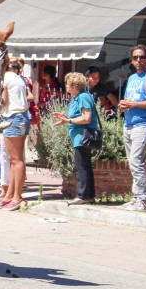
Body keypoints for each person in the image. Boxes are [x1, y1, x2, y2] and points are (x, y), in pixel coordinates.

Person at [119, 45, 146, 212]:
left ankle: (143, 199)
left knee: (137, 161)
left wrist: (133, 104)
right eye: (135, 58)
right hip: (129, 123)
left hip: (143, 124)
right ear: (131, 60)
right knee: (132, 162)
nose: (138, 60)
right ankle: (136, 198)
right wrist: (123, 105)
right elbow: (130, 99)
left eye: (141, 57)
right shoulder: (132, 78)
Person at [53, 72, 101, 206]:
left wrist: (68, 120)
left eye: (67, 84)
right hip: (78, 136)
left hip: (82, 137)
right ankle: (89, 195)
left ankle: (83, 195)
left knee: (82, 167)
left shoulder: (83, 97)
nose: (66, 86)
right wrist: (66, 119)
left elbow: (86, 118)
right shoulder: (77, 97)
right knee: (85, 165)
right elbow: (77, 116)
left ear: (74, 85)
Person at [0, 60, 31, 211]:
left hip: (12, 117)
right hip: (21, 116)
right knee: (15, 160)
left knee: (16, 160)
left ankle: (17, 196)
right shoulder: (18, 78)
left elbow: (3, 101)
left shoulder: (6, 78)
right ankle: (10, 195)